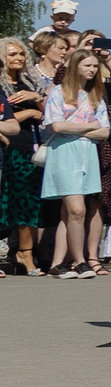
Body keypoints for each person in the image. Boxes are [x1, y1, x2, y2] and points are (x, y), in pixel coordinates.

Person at [41, 47, 111, 276]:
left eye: (94, 66)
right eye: (87, 65)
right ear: (76, 67)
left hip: (86, 154)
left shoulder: (95, 96)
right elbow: (56, 125)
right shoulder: (58, 93)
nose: (92, 70)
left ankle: (57, 263)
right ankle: (80, 260)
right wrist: (89, 127)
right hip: (64, 153)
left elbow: (104, 132)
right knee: (77, 209)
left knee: (69, 212)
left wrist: (80, 130)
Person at [2, 40, 46, 272]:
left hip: (31, 147)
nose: (18, 58)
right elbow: (4, 121)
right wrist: (27, 112)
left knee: (29, 202)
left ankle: (26, 253)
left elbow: (50, 113)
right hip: (9, 148)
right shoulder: (1, 86)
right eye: (12, 54)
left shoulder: (29, 83)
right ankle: (15, 252)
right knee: (11, 202)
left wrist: (36, 99)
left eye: (21, 53)